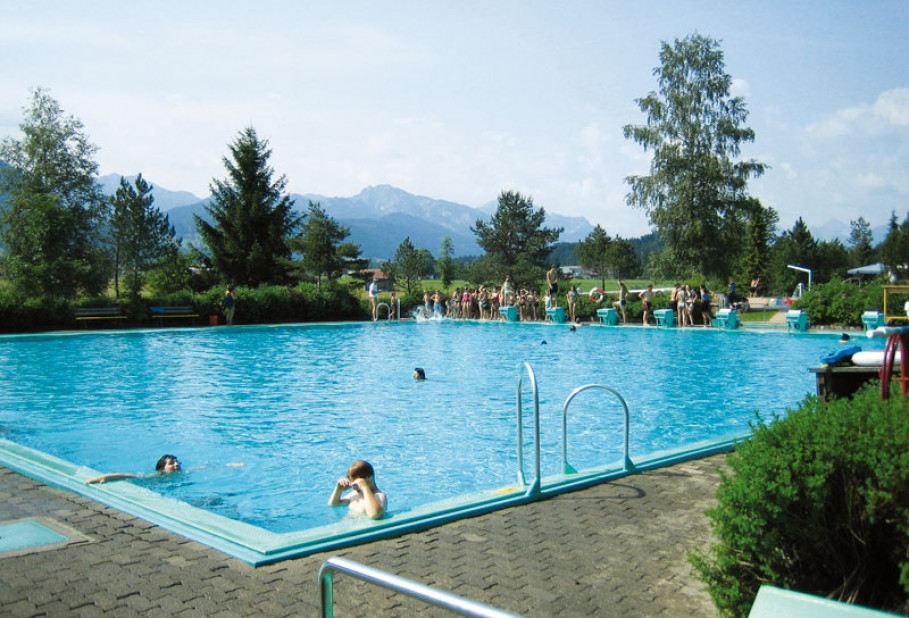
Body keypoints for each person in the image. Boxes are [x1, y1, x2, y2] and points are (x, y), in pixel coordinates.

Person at [85, 454, 181, 485]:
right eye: (171, 463)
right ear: (162, 469)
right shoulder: (156, 476)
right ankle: (105, 477)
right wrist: (104, 477)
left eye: (177, 462)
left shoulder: (183, 472)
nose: (176, 464)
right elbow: (129, 476)